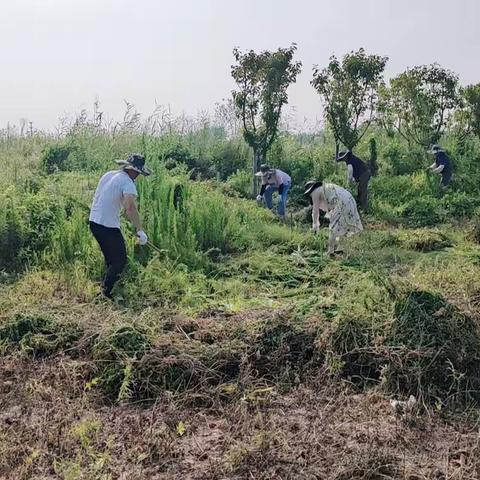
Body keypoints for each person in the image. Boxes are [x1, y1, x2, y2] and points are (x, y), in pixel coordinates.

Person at [89, 154, 151, 298]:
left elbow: (104, 198)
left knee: (111, 259)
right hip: (107, 226)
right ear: (134, 171)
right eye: (138, 173)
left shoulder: (109, 175)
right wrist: (140, 230)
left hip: (94, 222)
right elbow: (130, 208)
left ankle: (108, 286)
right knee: (120, 260)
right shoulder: (128, 184)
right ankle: (106, 293)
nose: (138, 176)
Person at [304, 180, 363, 256]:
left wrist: (315, 225)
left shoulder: (315, 192)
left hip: (341, 203)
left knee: (333, 228)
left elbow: (315, 210)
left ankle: (330, 251)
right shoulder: (326, 187)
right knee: (342, 226)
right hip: (349, 200)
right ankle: (340, 249)